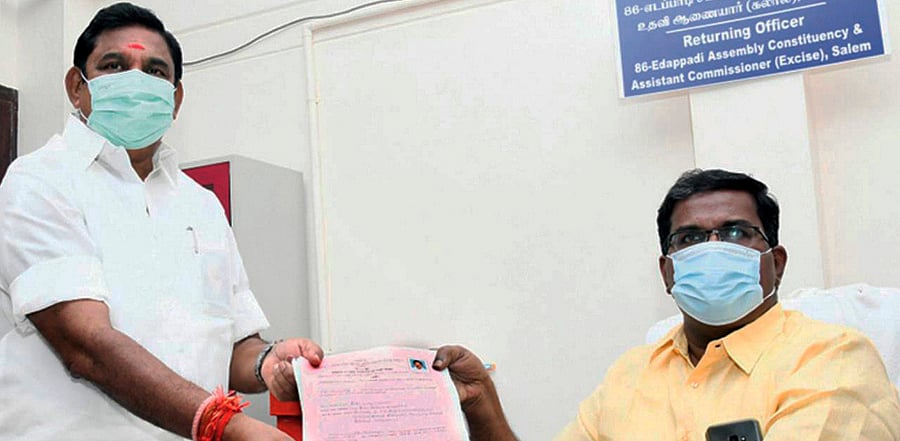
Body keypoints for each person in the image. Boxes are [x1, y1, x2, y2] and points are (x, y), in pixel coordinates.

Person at [0, 3, 321, 440]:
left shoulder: (200, 205)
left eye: (154, 71)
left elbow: (230, 347)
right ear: (78, 87)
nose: (135, 81)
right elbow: (86, 346)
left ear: (175, 98)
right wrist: (222, 425)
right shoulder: (41, 180)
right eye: (114, 66)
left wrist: (269, 362)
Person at [434, 169, 900, 440]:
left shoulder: (834, 358)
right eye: (691, 238)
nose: (714, 246)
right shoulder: (632, 374)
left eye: (737, 232)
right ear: (667, 272)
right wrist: (481, 405)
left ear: (775, 264)